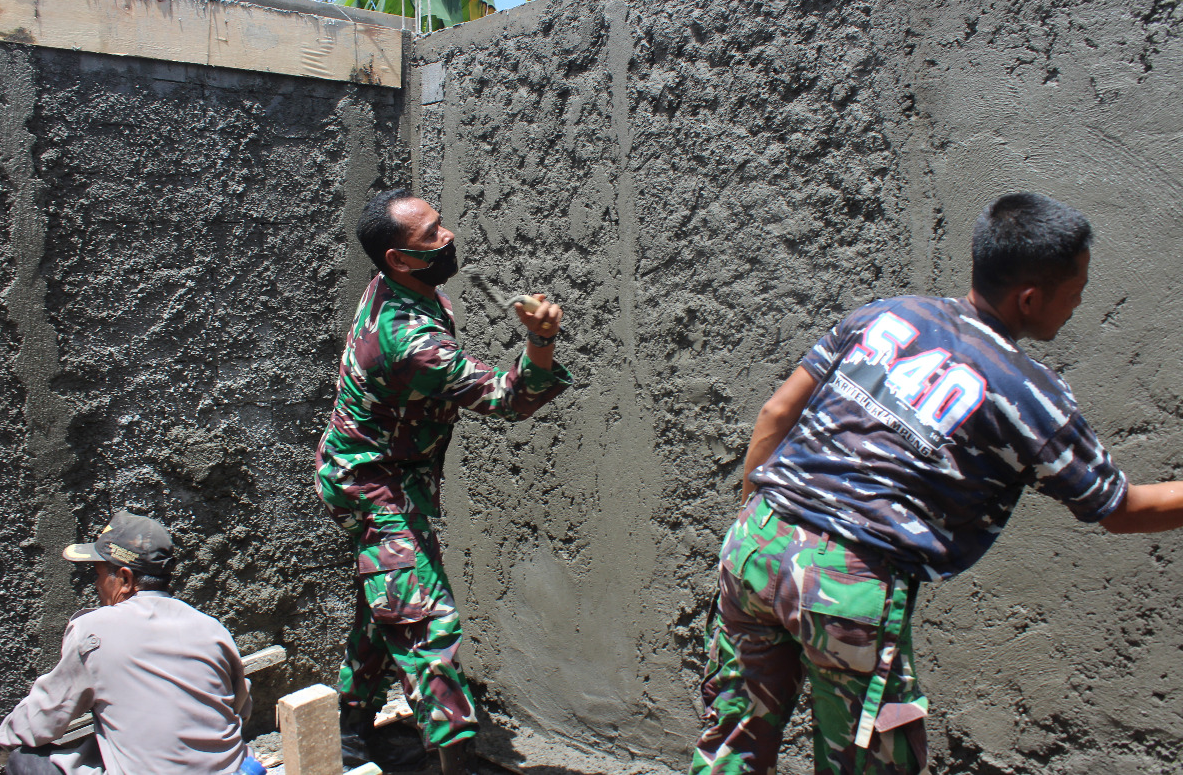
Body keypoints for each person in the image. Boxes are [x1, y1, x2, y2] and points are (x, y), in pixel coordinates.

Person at [691, 192, 1183, 775]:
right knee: (872, 763)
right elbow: (1120, 507)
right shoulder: (1025, 393)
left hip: (756, 541)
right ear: (1030, 298)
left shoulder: (887, 316)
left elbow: (776, 414)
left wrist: (757, 522)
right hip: (847, 583)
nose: (1078, 303)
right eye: (1075, 289)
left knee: (733, 741)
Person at [316, 189, 572, 774]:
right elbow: (510, 400)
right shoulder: (410, 341)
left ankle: (350, 729)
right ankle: (454, 762)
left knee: (385, 605)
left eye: (439, 225)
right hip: (370, 483)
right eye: (431, 236)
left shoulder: (406, 287)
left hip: (387, 471)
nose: (447, 237)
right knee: (425, 620)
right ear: (397, 259)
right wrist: (541, 341)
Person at [0, 511, 252, 775]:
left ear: (125, 579)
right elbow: (240, 707)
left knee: (23, 759)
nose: (97, 586)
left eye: (100, 574)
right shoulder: (211, 628)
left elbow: (46, 713)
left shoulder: (95, 630)